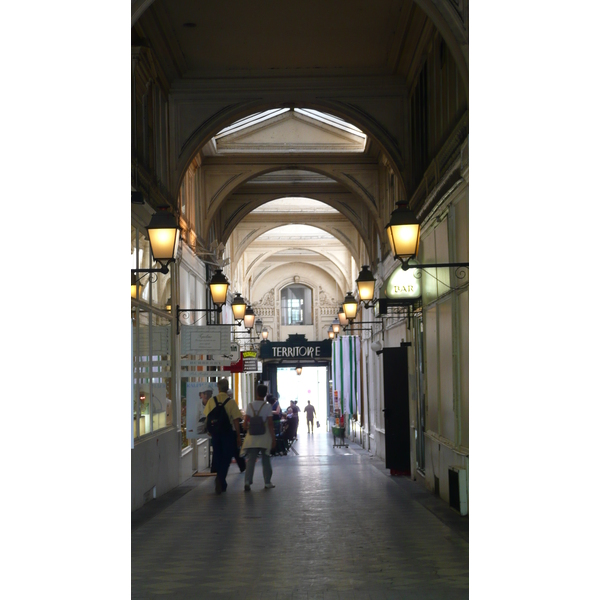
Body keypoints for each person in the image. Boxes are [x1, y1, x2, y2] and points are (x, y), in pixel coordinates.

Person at [203, 379, 242, 494]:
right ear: (227, 387)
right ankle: (220, 479)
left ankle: (221, 480)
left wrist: (209, 429)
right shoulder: (231, 402)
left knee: (218, 455)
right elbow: (235, 421)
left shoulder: (211, 401)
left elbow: (207, 417)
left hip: (215, 434)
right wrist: (238, 436)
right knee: (227, 457)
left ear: (218, 388)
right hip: (227, 433)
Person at [241, 383, 276, 491]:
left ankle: (247, 481)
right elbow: (270, 424)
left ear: (256, 393)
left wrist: (247, 427)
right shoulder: (267, 406)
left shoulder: (250, 405)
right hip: (264, 436)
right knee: (266, 459)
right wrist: (273, 438)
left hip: (252, 437)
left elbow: (245, 422)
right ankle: (267, 482)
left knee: (251, 459)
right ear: (265, 394)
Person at [228, 388, 246, 473]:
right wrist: (238, 434)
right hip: (232, 429)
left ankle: (217, 470)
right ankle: (242, 466)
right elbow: (236, 419)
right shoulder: (232, 403)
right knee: (235, 450)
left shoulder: (218, 401)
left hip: (222, 431)